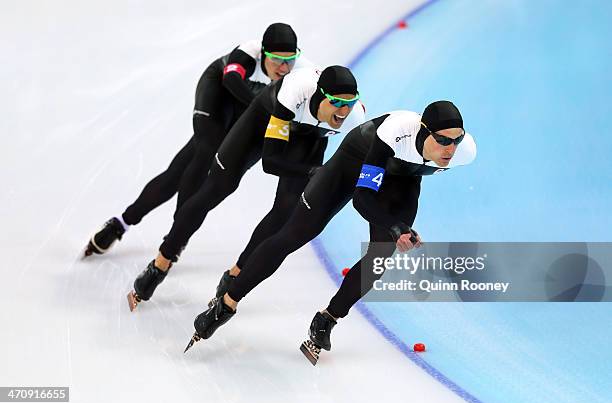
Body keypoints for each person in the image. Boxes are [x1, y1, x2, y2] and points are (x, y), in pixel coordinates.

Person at [183, 101, 477, 365]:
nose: (450, 149)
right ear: (425, 132)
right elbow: (363, 197)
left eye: (456, 141)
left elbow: (408, 186)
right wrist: (395, 225)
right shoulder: (395, 133)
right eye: (442, 141)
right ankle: (227, 303)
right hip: (353, 164)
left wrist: (397, 229)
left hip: (404, 179)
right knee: (296, 234)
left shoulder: (464, 153)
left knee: (379, 258)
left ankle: (327, 319)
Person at [127, 65, 366, 311]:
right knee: (218, 186)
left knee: (285, 211)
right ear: (321, 95)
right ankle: (161, 262)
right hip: (266, 116)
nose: (344, 111)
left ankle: (235, 274)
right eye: (337, 102)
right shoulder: (295, 93)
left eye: (351, 103)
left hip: (309, 137)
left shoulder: (356, 119)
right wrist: (313, 172)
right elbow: (270, 163)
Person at [84, 23, 305, 257]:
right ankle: (177, 232)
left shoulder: (297, 71)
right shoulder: (248, 53)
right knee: (206, 151)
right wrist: (260, 109)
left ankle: (121, 223)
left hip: (245, 104)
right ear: (263, 52)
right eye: (276, 60)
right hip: (218, 92)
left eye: (290, 59)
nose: (284, 67)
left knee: (178, 172)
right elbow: (231, 79)